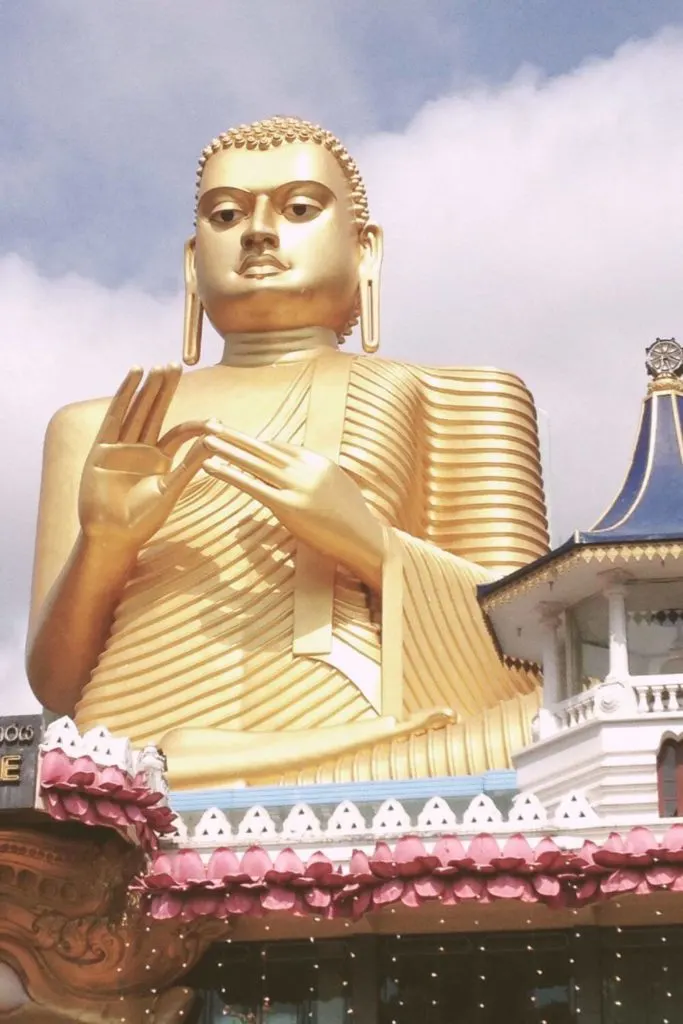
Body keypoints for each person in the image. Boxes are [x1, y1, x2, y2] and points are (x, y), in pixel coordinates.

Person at [27, 117, 548, 788]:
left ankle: (196, 768)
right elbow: (58, 688)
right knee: (56, 772)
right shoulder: (97, 426)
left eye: (299, 208)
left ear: (366, 251)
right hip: (127, 751)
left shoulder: (461, 394)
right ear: (192, 261)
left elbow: (530, 653)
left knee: (547, 727)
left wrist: (367, 541)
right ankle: (171, 770)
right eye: (225, 214)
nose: (258, 232)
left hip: (360, 752)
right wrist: (105, 546)